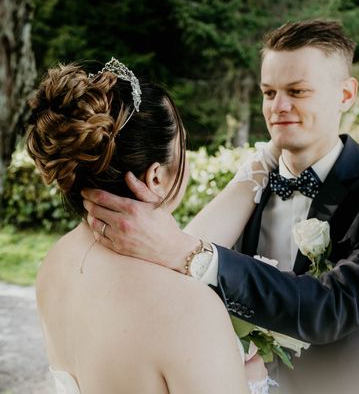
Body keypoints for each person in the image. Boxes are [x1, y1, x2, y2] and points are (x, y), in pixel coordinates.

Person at [82, 20, 359, 394]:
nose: (278, 107)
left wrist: (188, 253)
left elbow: (334, 309)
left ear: (346, 95)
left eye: (297, 91)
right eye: (269, 92)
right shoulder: (247, 191)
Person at [26, 59, 277, 394]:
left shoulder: (56, 264)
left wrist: (269, 157)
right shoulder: (189, 310)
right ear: (155, 176)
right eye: (183, 147)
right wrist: (253, 378)